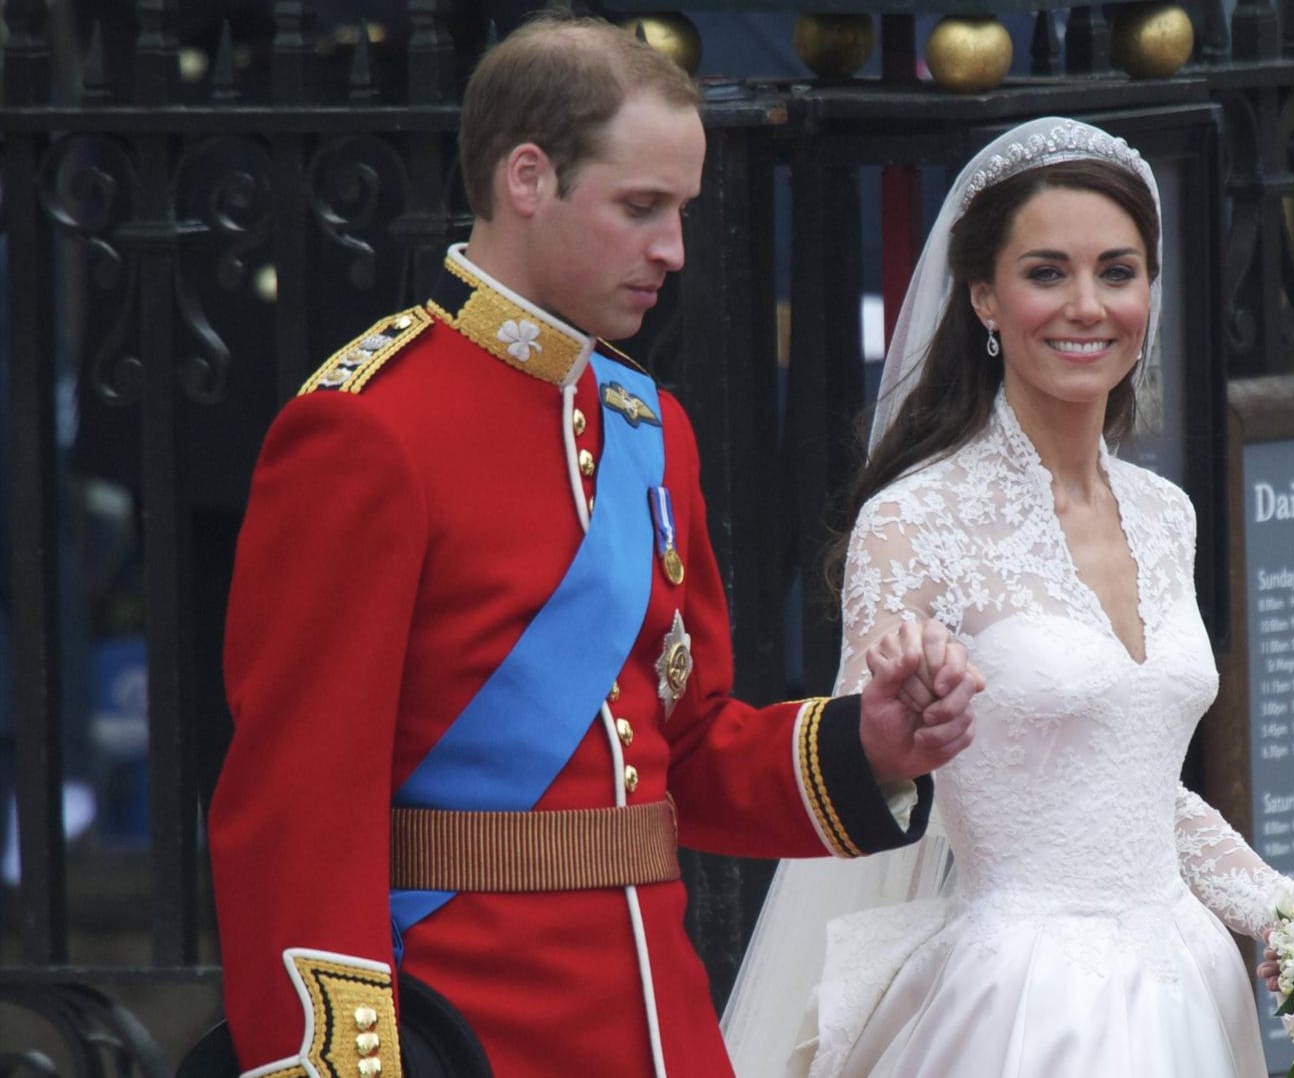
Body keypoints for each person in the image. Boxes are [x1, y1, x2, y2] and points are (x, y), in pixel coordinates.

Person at [206, 14, 981, 1078]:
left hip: (661, 1023)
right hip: (470, 1027)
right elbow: (295, 806)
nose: (673, 249)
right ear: (529, 178)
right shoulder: (367, 427)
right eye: (640, 207)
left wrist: (871, 744)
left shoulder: (645, 426)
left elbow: (688, 751)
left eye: (681, 211)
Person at [721, 117, 1294, 1078]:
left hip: (1188, 989)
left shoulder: (1167, 515)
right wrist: (900, 706)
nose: (1087, 305)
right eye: (1047, 273)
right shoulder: (915, 520)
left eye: (1118, 272)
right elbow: (875, 777)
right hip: (1021, 1011)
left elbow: (1139, 790)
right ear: (984, 295)